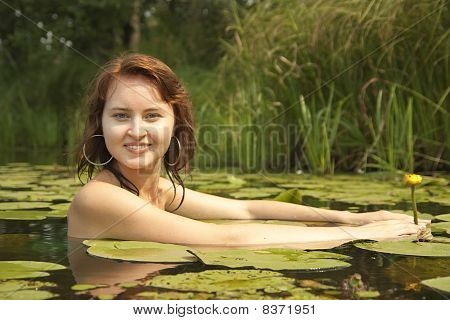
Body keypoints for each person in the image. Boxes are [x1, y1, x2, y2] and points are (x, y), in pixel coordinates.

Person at [68, 53, 428, 246]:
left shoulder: (158, 190)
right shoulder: (99, 199)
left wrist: (355, 218)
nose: (136, 131)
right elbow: (223, 238)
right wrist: (363, 236)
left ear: (175, 123)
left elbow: (246, 210)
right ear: (100, 124)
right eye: (119, 115)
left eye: (151, 115)